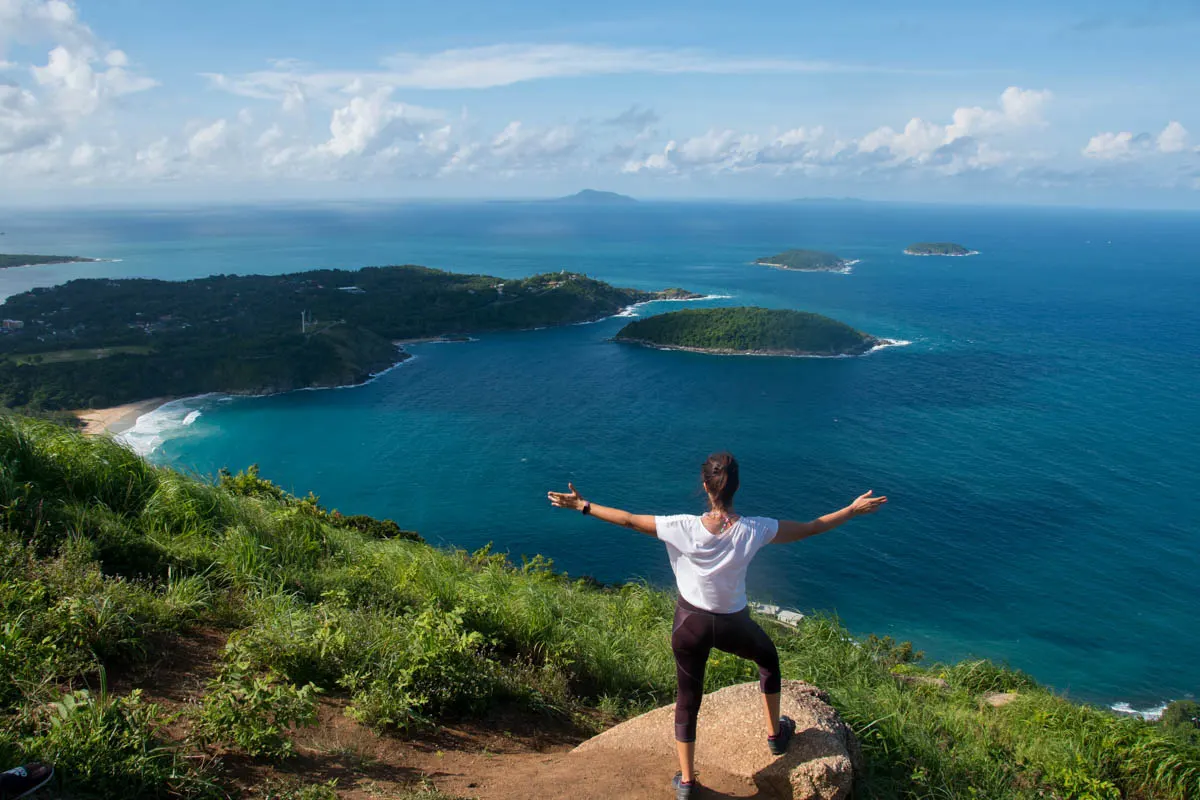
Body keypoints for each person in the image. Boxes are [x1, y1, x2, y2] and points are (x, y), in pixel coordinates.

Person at [548, 452, 886, 799]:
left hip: (689, 624)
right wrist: (851, 510)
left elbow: (630, 520)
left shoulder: (681, 527)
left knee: (687, 699)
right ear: (736, 487)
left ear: (705, 486)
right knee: (768, 659)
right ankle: (776, 735)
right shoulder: (755, 528)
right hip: (733, 625)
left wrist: (583, 506)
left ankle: (687, 782)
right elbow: (812, 527)